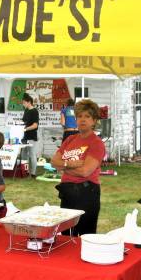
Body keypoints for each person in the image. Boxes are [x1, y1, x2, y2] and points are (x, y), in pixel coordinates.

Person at [50, 99, 105, 235]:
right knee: (66, 233)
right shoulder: (70, 139)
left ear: (94, 120)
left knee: (84, 235)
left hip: (86, 193)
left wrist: (63, 166)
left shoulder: (96, 143)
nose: (82, 120)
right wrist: (71, 164)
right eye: (79, 116)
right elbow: (53, 161)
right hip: (67, 193)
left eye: (87, 116)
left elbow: (85, 171)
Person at [21, 93, 39, 178]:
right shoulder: (26, 110)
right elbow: (24, 122)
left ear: (29, 102)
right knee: (24, 154)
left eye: (24, 102)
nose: (23, 104)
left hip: (31, 136)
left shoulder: (34, 111)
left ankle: (33, 173)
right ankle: (26, 172)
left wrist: (26, 129)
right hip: (24, 136)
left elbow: (35, 125)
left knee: (32, 154)